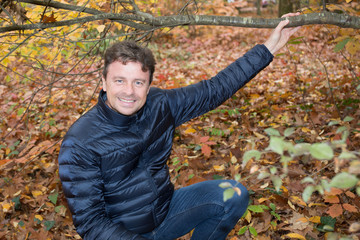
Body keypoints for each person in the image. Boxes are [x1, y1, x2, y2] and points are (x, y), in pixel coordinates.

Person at [58, 13, 301, 240]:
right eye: (119, 80)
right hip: (121, 233)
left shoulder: (160, 104)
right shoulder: (80, 142)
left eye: (138, 82)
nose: (129, 91)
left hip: (165, 213)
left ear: (149, 84)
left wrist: (269, 47)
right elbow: (91, 223)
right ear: (103, 82)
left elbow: (215, 89)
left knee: (233, 195)